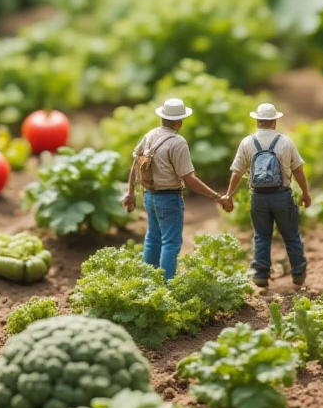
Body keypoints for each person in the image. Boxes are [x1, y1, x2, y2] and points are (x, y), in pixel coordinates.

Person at [122, 96, 232, 280]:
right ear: (179, 122)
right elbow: (189, 179)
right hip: (169, 199)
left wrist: (131, 193)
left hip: (149, 196)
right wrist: (216, 196)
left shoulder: (150, 135)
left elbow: (135, 163)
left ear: (162, 118)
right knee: (170, 243)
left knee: (152, 239)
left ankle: (148, 283)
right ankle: (166, 286)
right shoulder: (177, 142)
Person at [223, 101, 310, 288]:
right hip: (282, 196)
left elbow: (237, 171)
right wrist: (305, 193)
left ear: (257, 121)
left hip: (258, 198)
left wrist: (229, 195)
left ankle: (261, 275)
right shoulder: (285, 142)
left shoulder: (247, 142)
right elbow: (298, 171)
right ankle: (298, 274)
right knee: (291, 235)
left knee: (261, 236)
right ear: (274, 122)